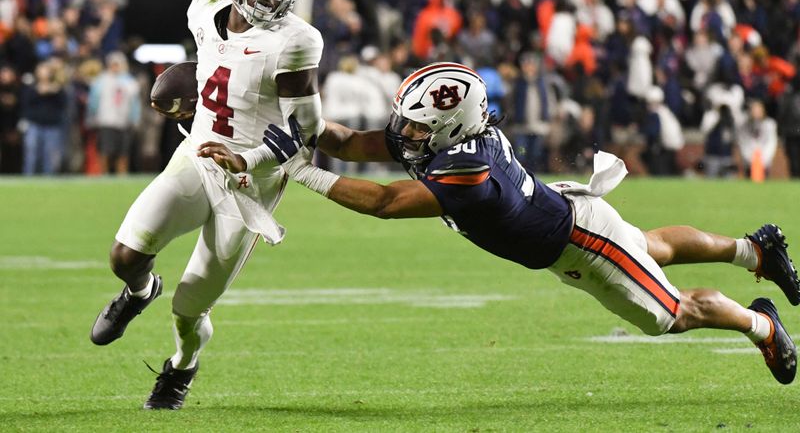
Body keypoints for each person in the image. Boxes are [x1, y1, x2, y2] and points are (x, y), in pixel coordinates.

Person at [249, 62, 799, 385]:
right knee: (651, 246)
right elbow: (350, 141)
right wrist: (297, 123)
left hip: (578, 242)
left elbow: (386, 202)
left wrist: (300, 169)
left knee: (669, 314)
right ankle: (756, 251)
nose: (405, 133)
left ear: (452, 124)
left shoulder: (466, 165)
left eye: (418, 125)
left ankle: (763, 327)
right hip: (568, 215)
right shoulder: (447, 134)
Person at [89, 0, 327, 410]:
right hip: (197, 156)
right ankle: (139, 291)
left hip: (248, 184)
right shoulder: (205, 7)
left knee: (189, 309)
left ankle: (181, 366)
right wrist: (187, 95)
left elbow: (308, 133)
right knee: (124, 255)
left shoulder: (296, 42)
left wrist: (249, 157)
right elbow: (216, 60)